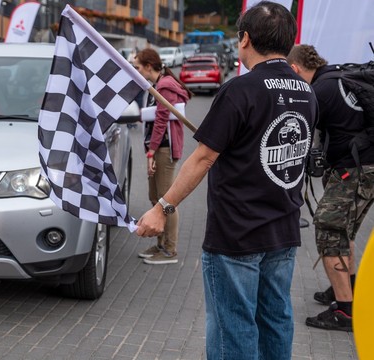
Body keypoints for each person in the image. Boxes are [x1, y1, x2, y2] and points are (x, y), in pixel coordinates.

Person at [136, 2, 317, 358]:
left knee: (233, 326)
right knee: (276, 320)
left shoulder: (240, 90)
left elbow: (203, 157)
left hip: (237, 236)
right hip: (283, 231)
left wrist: (162, 207)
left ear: (245, 39)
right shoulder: (306, 91)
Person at [287, 44, 373, 332]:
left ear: (296, 69)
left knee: (327, 228)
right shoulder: (336, 76)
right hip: (364, 168)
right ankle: (345, 289)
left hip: (356, 169)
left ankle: (345, 312)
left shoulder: (319, 91)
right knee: (342, 230)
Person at [132, 48, 192, 265]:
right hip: (157, 148)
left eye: (137, 66)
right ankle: (160, 244)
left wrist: (151, 152)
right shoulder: (156, 85)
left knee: (167, 201)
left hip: (163, 149)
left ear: (148, 66)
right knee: (156, 198)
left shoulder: (164, 86)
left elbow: (160, 121)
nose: (135, 70)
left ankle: (169, 250)